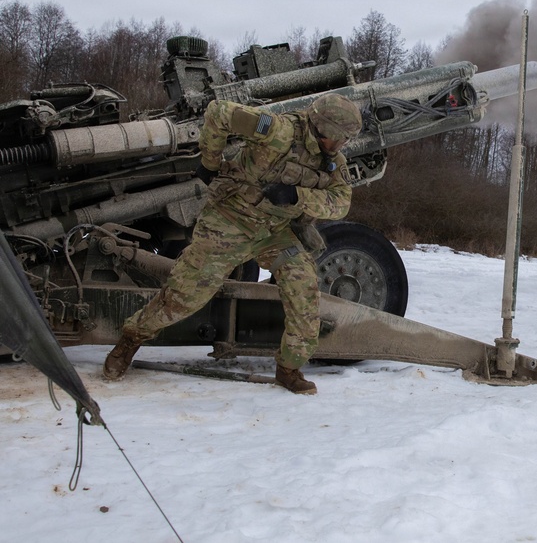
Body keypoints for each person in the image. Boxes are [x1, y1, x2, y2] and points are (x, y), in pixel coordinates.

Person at [103, 93, 363, 394]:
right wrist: (210, 161)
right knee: (183, 298)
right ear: (324, 129)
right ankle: (130, 339)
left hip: (273, 232)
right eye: (341, 138)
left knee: (304, 294)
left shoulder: (332, 162)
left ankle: (289, 368)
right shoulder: (277, 130)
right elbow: (219, 111)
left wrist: (297, 197)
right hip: (230, 220)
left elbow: (341, 202)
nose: (342, 145)